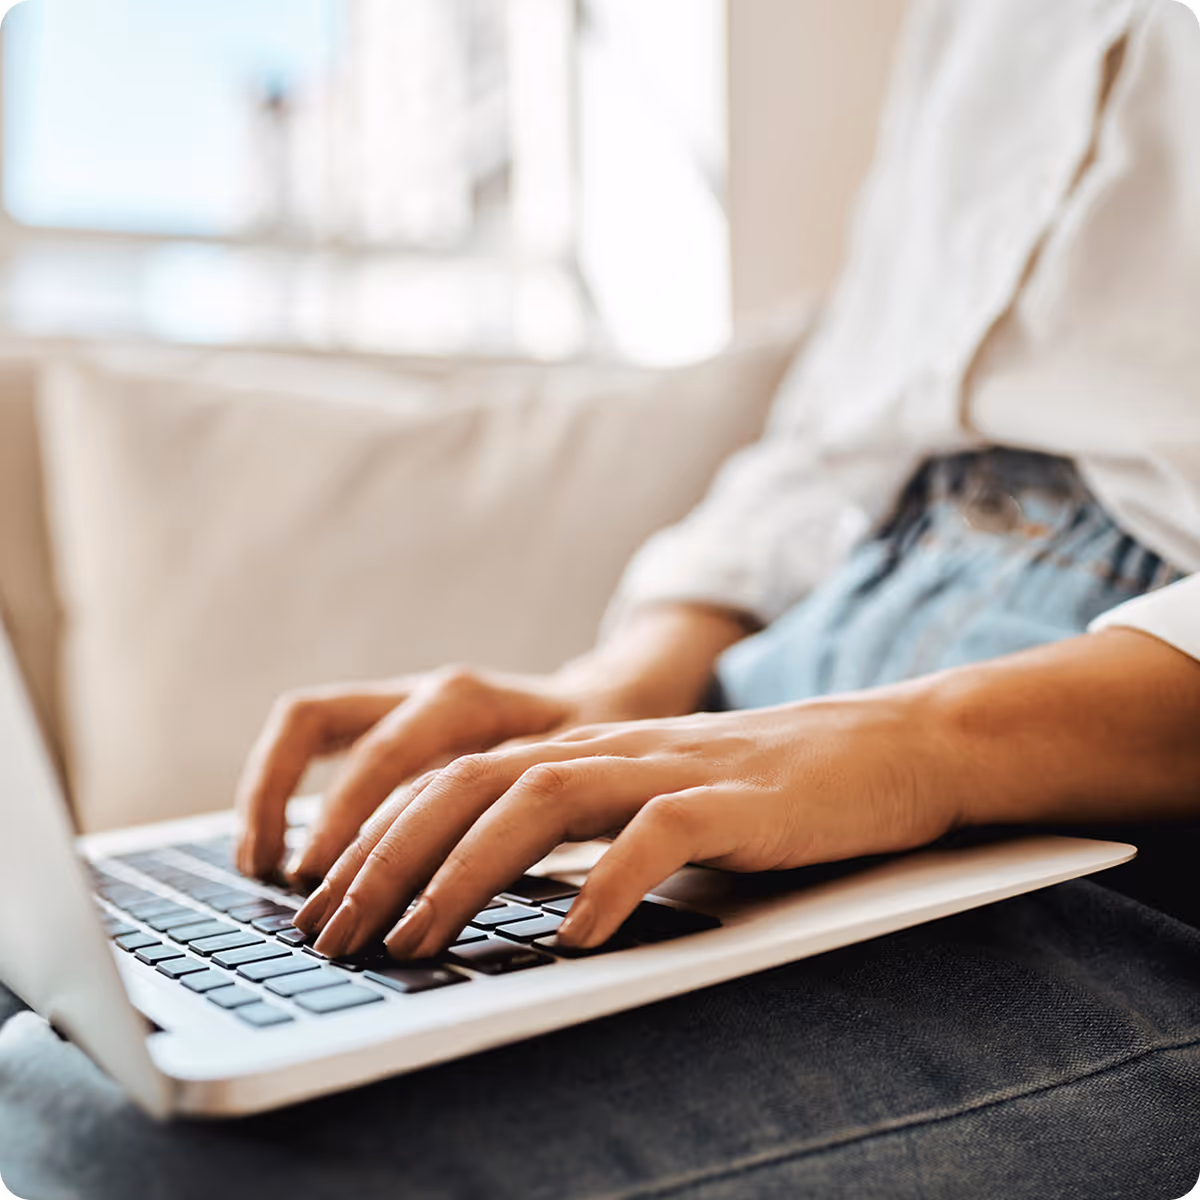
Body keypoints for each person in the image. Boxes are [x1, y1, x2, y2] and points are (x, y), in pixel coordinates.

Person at [2, 1, 1198, 1197]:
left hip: (1128, 767)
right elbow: (838, 437)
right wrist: (622, 682)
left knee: (115, 1145)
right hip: (815, 646)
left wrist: (928, 742)